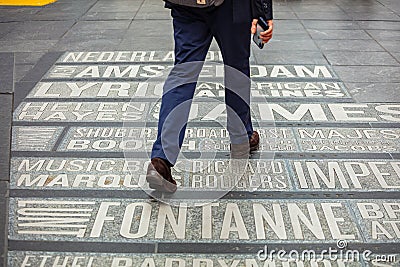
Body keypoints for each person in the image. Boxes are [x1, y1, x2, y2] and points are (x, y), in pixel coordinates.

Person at [146, 0, 273, 193]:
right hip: (232, 7)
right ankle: (240, 140)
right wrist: (262, 11)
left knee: (183, 74)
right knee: (236, 70)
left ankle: (161, 159)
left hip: (186, 5)